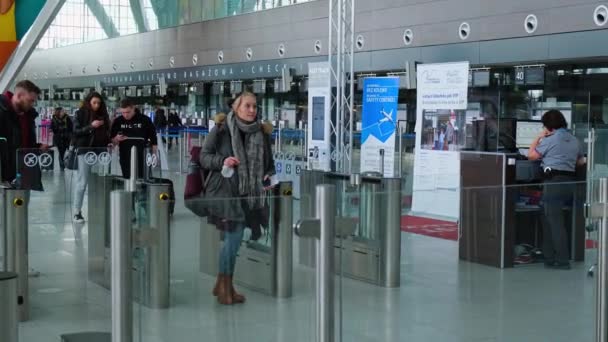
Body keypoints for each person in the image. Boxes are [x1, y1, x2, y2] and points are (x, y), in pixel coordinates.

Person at [200, 91, 276, 305]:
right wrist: (223, 160)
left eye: (255, 106)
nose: (252, 110)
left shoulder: (262, 133)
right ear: (235, 107)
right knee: (232, 241)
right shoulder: (222, 130)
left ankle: (222, 283)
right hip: (225, 193)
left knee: (232, 241)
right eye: (247, 106)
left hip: (249, 195)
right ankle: (226, 286)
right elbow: (204, 157)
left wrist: (267, 173)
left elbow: (268, 163)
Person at [528, 109, 585, 270]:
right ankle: (549, 256)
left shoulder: (550, 139)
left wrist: (538, 138)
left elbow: (531, 155)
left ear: (548, 126)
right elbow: (580, 161)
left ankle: (562, 261)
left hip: (553, 183)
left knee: (555, 222)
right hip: (570, 184)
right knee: (548, 218)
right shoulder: (574, 139)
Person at [72, 92, 112, 223]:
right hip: (85, 151)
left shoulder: (104, 115)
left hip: (101, 151)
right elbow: (76, 132)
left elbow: (107, 133)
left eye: (99, 103)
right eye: (94, 102)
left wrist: (109, 141)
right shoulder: (80, 114)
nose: (96, 105)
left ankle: (100, 209)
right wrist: (91, 126)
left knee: (100, 181)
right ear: (89, 102)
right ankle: (77, 211)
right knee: (82, 182)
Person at [0, 80, 42, 184]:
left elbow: (23, 143)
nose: (32, 104)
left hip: (23, 171)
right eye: (30, 100)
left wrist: (37, 147)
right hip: (4, 174)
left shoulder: (28, 116)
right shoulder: (2, 112)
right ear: (19, 95)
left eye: (34, 101)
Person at [110, 98, 157, 179]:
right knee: (127, 178)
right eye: (123, 112)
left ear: (133, 108)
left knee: (143, 178)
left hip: (143, 155)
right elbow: (112, 140)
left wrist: (154, 155)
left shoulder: (145, 120)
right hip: (125, 156)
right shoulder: (118, 121)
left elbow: (153, 138)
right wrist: (116, 139)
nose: (125, 115)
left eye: (128, 112)